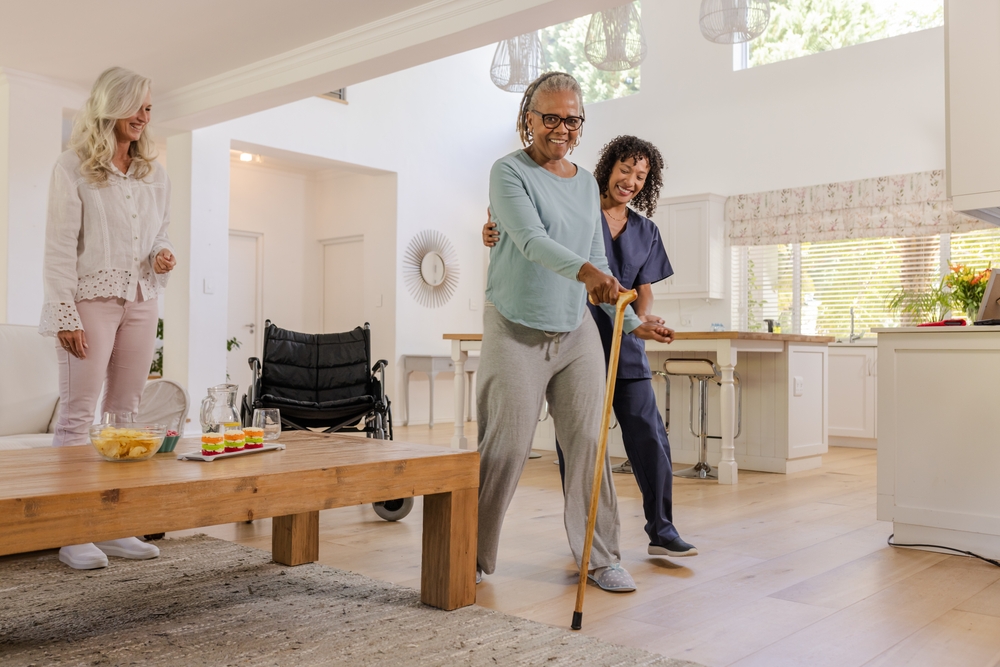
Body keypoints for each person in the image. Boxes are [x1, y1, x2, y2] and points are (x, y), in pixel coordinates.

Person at [477, 72, 674, 593]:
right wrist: (589, 275)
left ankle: (601, 555)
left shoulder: (587, 182)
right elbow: (529, 239)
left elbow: (593, 254)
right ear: (529, 118)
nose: (560, 128)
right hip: (515, 326)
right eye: (550, 117)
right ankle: (469, 550)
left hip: (575, 331)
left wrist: (633, 321)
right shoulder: (508, 172)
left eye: (572, 119)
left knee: (588, 443)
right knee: (505, 447)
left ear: (581, 126)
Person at [40, 67, 176, 570]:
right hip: (89, 301)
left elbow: (161, 233)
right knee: (79, 416)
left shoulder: (153, 173)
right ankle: (72, 531)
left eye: (149, 107)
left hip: (142, 299)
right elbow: (58, 248)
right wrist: (63, 313)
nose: (144, 115)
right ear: (111, 104)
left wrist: (163, 254)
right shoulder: (72, 166)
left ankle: (116, 527)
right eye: (137, 105)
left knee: (127, 416)